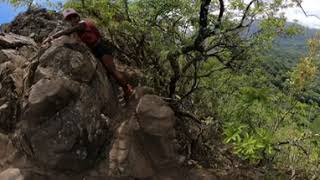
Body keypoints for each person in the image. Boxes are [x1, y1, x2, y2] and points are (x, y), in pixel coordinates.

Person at [42, 8, 134, 100]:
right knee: (109, 72)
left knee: (113, 71)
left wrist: (51, 37)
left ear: (77, 17)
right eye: (69, 19)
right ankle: (124, 89)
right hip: (96, 50)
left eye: (73, 17)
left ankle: (128, 90)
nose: (72, 20)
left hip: (101, 48)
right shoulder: (80, 28)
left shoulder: (82, 24)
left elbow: (68, 31)